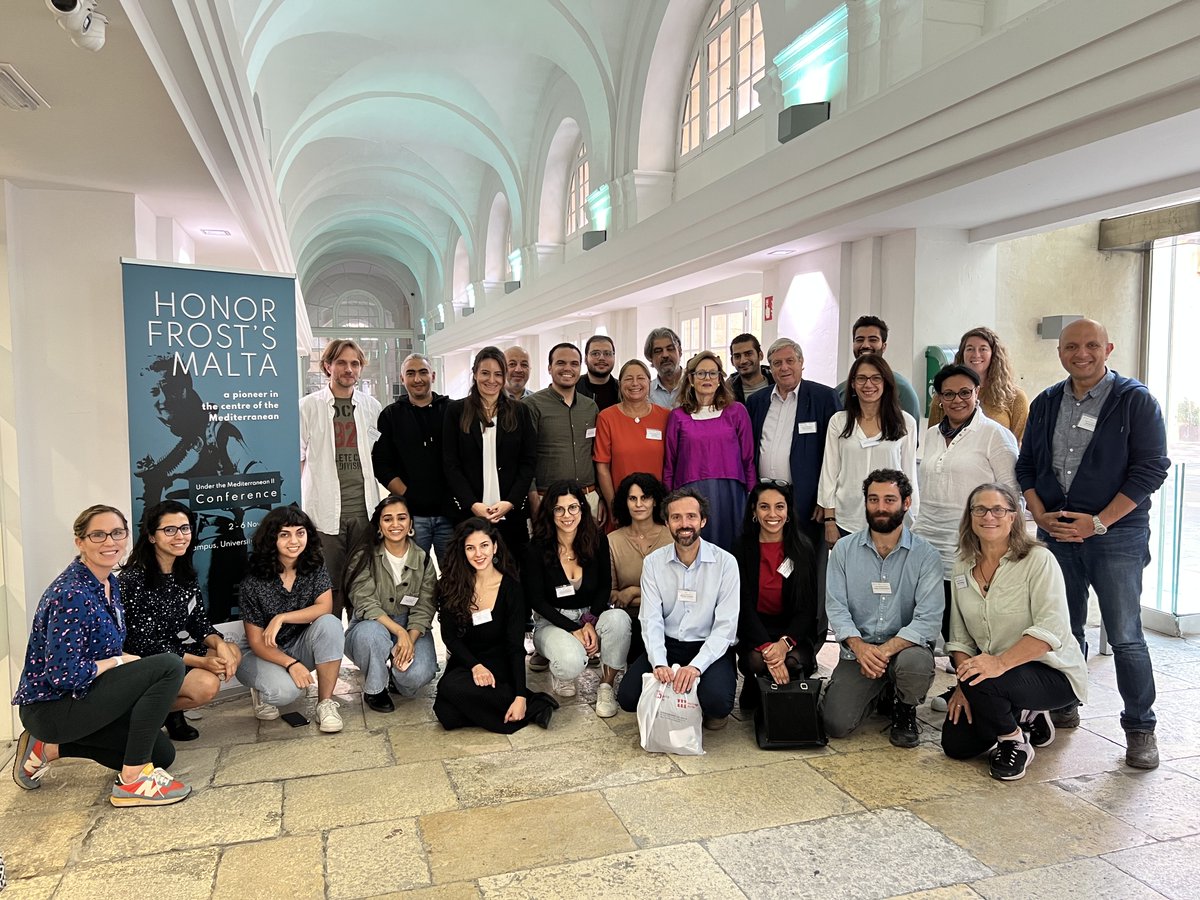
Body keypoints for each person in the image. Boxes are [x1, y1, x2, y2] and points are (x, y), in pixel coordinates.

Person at [1015, 318, 1169, 769]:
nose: (1081, 354)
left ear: (1108, 349)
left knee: (1125, 636)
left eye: (1090, 345)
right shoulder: (1046, 402)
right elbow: (1027, 466)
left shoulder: (1135, 401)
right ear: (1060, 352)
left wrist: (1098, 523)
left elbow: (1151, 470)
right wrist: (1039, 514)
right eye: (1071, 347)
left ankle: (1140, 727)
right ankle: (1064, 702)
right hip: (1056, 532)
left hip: (1115, 535)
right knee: (1062, 628)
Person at [12, 505, 191, 807]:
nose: (110, 542)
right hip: (53, 707)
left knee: (162, 754)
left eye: (117, 533)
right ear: (79, 542)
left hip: (86, 696)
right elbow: (63, 675)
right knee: (169, 665)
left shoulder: (109, 583)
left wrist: (123, 664)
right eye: (98, 535)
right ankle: (133, 781)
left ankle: (48, 748)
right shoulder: (71, 594)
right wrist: (119, 662)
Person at [941, 484, 1088, 781]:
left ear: (1013, 516)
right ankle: (1025, 714)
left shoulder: (1038, 560)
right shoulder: (962, 565)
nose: (988, 516)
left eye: (998, 510)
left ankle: (1014, 740)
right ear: (970, 516)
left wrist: (997, 664)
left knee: (981, 678)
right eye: (980, 509)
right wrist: (962, 686)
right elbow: (959, 636)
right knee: (956, 745)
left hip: (1050, 672)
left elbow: (1049, 631)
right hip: (995, 676)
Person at [914, 364, 1019, 701]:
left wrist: (1001, 542)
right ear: (938, 398)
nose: (957, 400)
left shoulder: (994, 434)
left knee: (974, 619)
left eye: (964, 393)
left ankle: (980, 691)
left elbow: (1011, 493)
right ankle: (963, 684)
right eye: (948, 394)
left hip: (972, 543)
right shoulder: (931, 434)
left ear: (977, 394)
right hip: (929, 539)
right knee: (948, 619)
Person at [822, 470, 943, 747]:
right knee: (835, 723)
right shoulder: (843, 550)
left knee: (914, 665)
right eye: (873, 499)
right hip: (859, 651)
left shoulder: (926, 555)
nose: (880, 507)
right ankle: (881, 691)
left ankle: (905, 708)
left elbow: (928, 619)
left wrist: (883, 652)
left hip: (905, 649)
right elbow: (836, 607)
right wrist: (860, 648)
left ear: (906, 503)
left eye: (890, 500)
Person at [616, 488, 741, 730]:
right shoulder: (653, 563)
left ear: (703, 521)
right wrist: (659, 663)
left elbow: (725, 627)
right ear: (667, 523)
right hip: (669, 644)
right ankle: (684, 703)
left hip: (708, 646)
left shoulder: (726, 563)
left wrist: (696, 667)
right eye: (676, 517)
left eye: (691, 516)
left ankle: (698, 703)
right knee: (627, 698)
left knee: (718, 703)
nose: (684, 524)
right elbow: (651, 620)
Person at [120, 500, 242, 742]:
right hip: (145, 661)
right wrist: (202, 662)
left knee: (232, 651)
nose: (180, 536)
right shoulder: (133, 579)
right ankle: (138, 716)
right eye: (169, 530)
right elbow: (142, 643)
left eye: (184, 528)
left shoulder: (183, 572)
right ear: (152, 536)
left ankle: (168, 713)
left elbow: (198, 622)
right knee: (206, 686)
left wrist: (219, 645)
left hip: (175, 652)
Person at [433, 518, 559, 733]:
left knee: (450, 690)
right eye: (470, 548)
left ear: (495, 547)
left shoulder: (511, 588)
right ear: (463, 551)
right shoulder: (452, 584)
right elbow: (450, 637)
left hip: (500, 662)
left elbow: (515, 647)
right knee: (446, 714)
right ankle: (533, 705)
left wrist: (519, 695)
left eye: (484, 545)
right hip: (467, 661)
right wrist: (475, 666)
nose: (478, 554)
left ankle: (526, 702)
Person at [235, 505, 346, 733]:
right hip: (260, 652)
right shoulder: (254, 580)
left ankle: (325, 704)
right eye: (285, 534)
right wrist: (291, 664)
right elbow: (256, 642)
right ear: (272, 538)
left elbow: (324, 607)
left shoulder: (314, 564)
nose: (294, 541)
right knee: (285, 694)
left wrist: (281, 618)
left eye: (300, 533)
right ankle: (261, 690)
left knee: (331, 624)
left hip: (297, 642)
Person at [523, 481, 631, 715]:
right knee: (570, 662)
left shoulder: (597, 539)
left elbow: (604, 586)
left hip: (590, 613)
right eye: (559, 509)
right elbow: (537, 600)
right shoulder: (536, 548)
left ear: (582, 508)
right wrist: (575, 629)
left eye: (573, 507)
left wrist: (590, 621)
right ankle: (562, 669)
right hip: (552, 620)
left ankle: (606, 685)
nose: (567, 515)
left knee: (619, 619)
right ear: (550, 512)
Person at [299, 338, 382, 620]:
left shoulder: (371, 406)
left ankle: (361, 641)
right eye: (342, 363)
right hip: (325, 516)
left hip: (364, 513)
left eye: (355, 364)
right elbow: (298, 457)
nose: (349, 369)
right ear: (327, 366)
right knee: (329, 590)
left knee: (362, 587)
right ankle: (331, 645)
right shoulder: (308, 407)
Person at [343, 494, 438, 713]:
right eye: (388, 519)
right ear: (379, 525)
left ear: (411, 523)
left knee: (418, 675)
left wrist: (409, 639)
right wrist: (399, 632)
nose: (395, 524)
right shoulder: (363, 556)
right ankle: (375, 689)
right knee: (372, 635)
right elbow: (366, 603)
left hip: (409, 625)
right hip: (371, 624)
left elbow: (425, 607)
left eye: (401, 518)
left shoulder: (423, 559)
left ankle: (395, 679)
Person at [746, 338, 842, 551]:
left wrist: (826, 502)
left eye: (790, 361)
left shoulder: (824, 398)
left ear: (801, 362)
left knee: (804, 559)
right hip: (765, 499)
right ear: (770, 368)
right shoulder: (757, 401)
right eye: (777, 363)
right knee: (769, 557)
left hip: (807, 503)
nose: (784, 367)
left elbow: (836, 455)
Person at [732, 483, 821, 710]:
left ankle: (781, 692)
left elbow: (808, 607)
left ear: (788, 512)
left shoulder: (803, 548)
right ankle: (757, 683)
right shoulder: (741, 548)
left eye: (779, 507)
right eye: (764, 507)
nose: (772, 514)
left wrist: (784, 644)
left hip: (792, 630)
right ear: (754, 511)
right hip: (756, 629)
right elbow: (742, 605)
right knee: (756, 660)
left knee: (793, 661)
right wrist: (766, 647)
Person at [443, 346, 537, 557]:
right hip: (470, 513)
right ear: (475, 373)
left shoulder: (520, 411)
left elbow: (528, 461)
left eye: (498, 374)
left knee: (513, 568)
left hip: (510, 513)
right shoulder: (456, 411)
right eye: (485, 373)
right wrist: (472, 503)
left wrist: (510, 502)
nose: (491, 380)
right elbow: (451, 464)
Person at [819, 355, 919, 546]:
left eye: (876, 378)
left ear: (885, 382)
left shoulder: (906, 423)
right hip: (847, 519)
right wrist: (829, 519)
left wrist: (913, 519)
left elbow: (910, 476)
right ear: (853, 384)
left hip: (890, 518)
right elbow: (829, 473)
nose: (868, 384)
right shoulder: (839, 422)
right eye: (861, 378)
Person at [663, 350, 756, 551]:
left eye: (713, 373)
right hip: (690, 495)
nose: (707, 378)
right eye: (701, 373)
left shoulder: (737, 411)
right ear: (691, 379)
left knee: (733, 546)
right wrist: (668, 501)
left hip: (731, 494)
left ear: (720, 379)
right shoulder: (678, 416)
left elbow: (748, 458)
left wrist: (753, 496)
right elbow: (670, 462)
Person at [372, 353, 455, 565]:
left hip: (450, 514)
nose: (417, 379)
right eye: (411, 373)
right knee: (412, 574)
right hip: (411, 515)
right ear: (402, 379)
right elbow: (381, 463)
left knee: (455, 574)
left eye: (423, 372)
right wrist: (407, 494)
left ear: (433, 376)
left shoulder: (452, 411)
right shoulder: (390, 415)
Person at [525, 343, 602, 522]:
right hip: (548, 500)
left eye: (574, 364)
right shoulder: (532, 405)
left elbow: (596, 453)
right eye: (561, 363)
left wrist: (600, 496)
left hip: (588, 498)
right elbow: (524, 457)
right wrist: (533, 498)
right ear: (549, 368)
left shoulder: (590, 407)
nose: (568, 368)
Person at [607, 473, 673, 665]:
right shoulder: (612, 540)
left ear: (655, 501)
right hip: (630, 619)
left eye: (645, 498)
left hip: (668, 619)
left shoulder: (672, 537)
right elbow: (612, 595)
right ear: (625, 502)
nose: (638, 504)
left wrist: (633, 592)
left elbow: (676, 592)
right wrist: (647, 597)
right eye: (632, 498)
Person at [928, 326, 1029, 442]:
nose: (976, 354)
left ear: (994, 354)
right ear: (962, 354)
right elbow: (933, 440)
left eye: (983, 349)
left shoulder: (1015, 398)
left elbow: (1019, 444)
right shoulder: (944, 395)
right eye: (970, 349)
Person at [594, 359, 670, 512]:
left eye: (640, 378)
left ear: (649, 382)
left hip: (658, 505)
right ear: (620, 384)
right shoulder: (606, 418)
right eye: (629, 379)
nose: (635, 383)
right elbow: (602, 467)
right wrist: (613, 506)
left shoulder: (666, 416)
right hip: (622, 505)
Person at [835, 316, 922, 423]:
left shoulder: (902, 389)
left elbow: (910, 431)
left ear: (884, 346)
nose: (865, 345)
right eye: (859, 340)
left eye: (873, 340)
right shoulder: (840, 391)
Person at [576, 334, 620, 411]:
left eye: (607, 353)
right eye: (595, 353)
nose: (601, 358)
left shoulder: (622, 390)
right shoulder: (573, 388)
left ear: (614, 357)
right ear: (586, 359)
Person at [728, 333, 774, 403]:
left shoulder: (779, 385)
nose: (743, 361)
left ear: (760, 355)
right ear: (732, 361)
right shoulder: (726, 393)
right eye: (737, 356)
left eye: (748, 354)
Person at [644, 327, 684, 408]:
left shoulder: (694, 384)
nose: (665, 355)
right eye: (658, 351)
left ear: (679, 352)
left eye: (670, 349)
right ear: (650, 358)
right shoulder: (646, 393)